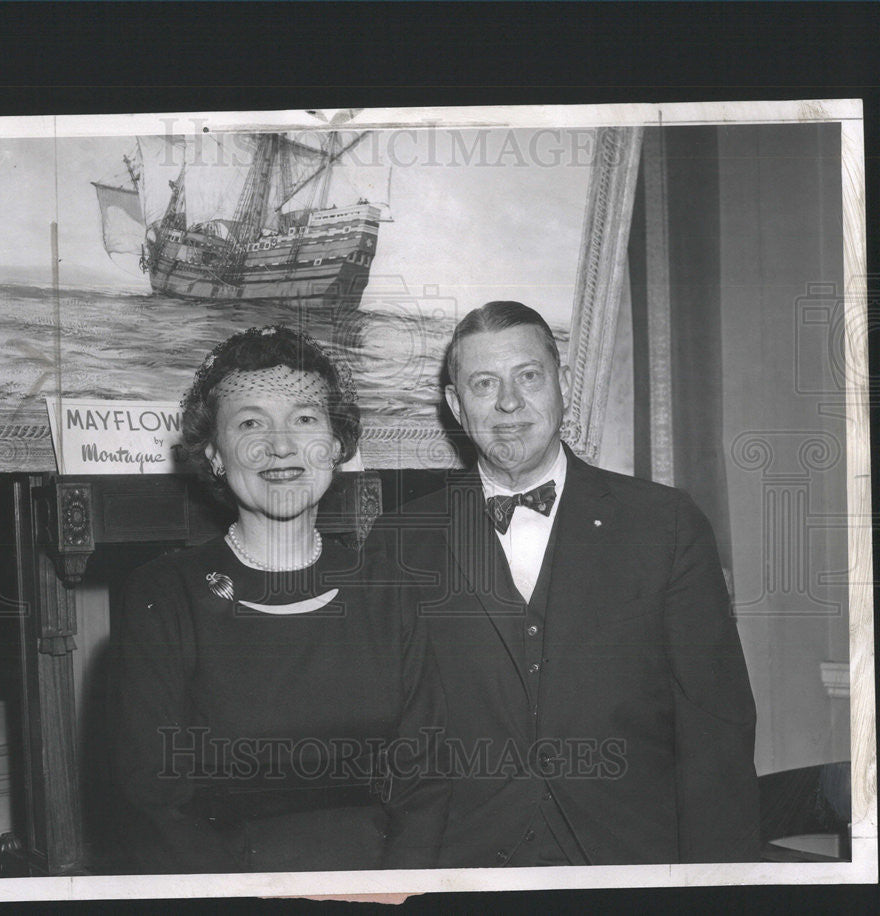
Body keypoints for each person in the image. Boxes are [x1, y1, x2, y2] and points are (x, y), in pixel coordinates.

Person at [376, 301, 760, 867]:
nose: (509, 403)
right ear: (457, 407)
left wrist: (718, 884)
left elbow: (716, 730)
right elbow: (390, 740)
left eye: (528, 376)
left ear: (563, 384)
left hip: (630, 862)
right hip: (464, 865)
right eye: (485, 384)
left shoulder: (665, 524)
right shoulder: (402, 540)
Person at [109, 325, 448, 874]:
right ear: (215, 454)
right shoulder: (164, 595)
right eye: (250, 423)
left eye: (305, 418)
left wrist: (398, 889)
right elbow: (153, 805)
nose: (282, 445)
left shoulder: (390, 589)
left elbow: (425, 783)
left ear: (337, 445)